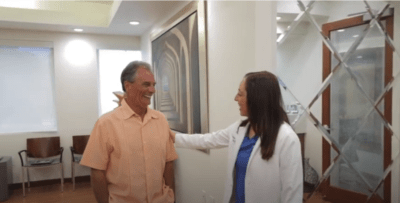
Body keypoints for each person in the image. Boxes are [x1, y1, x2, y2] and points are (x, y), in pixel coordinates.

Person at [171, 71, 303, 203]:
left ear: (257, 98)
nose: (236, 98)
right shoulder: (239, 129)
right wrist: (173, 137)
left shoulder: (287, 138)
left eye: (240, 94)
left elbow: (292, 193)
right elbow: (208, 140)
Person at [81, 61, 178, 203]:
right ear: (128, 86)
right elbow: (97, 171)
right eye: (146, 84)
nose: (152, 90)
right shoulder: (106, 123)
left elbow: (168, 162)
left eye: (153, 85)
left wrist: (171, 196)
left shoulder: (161, 120)